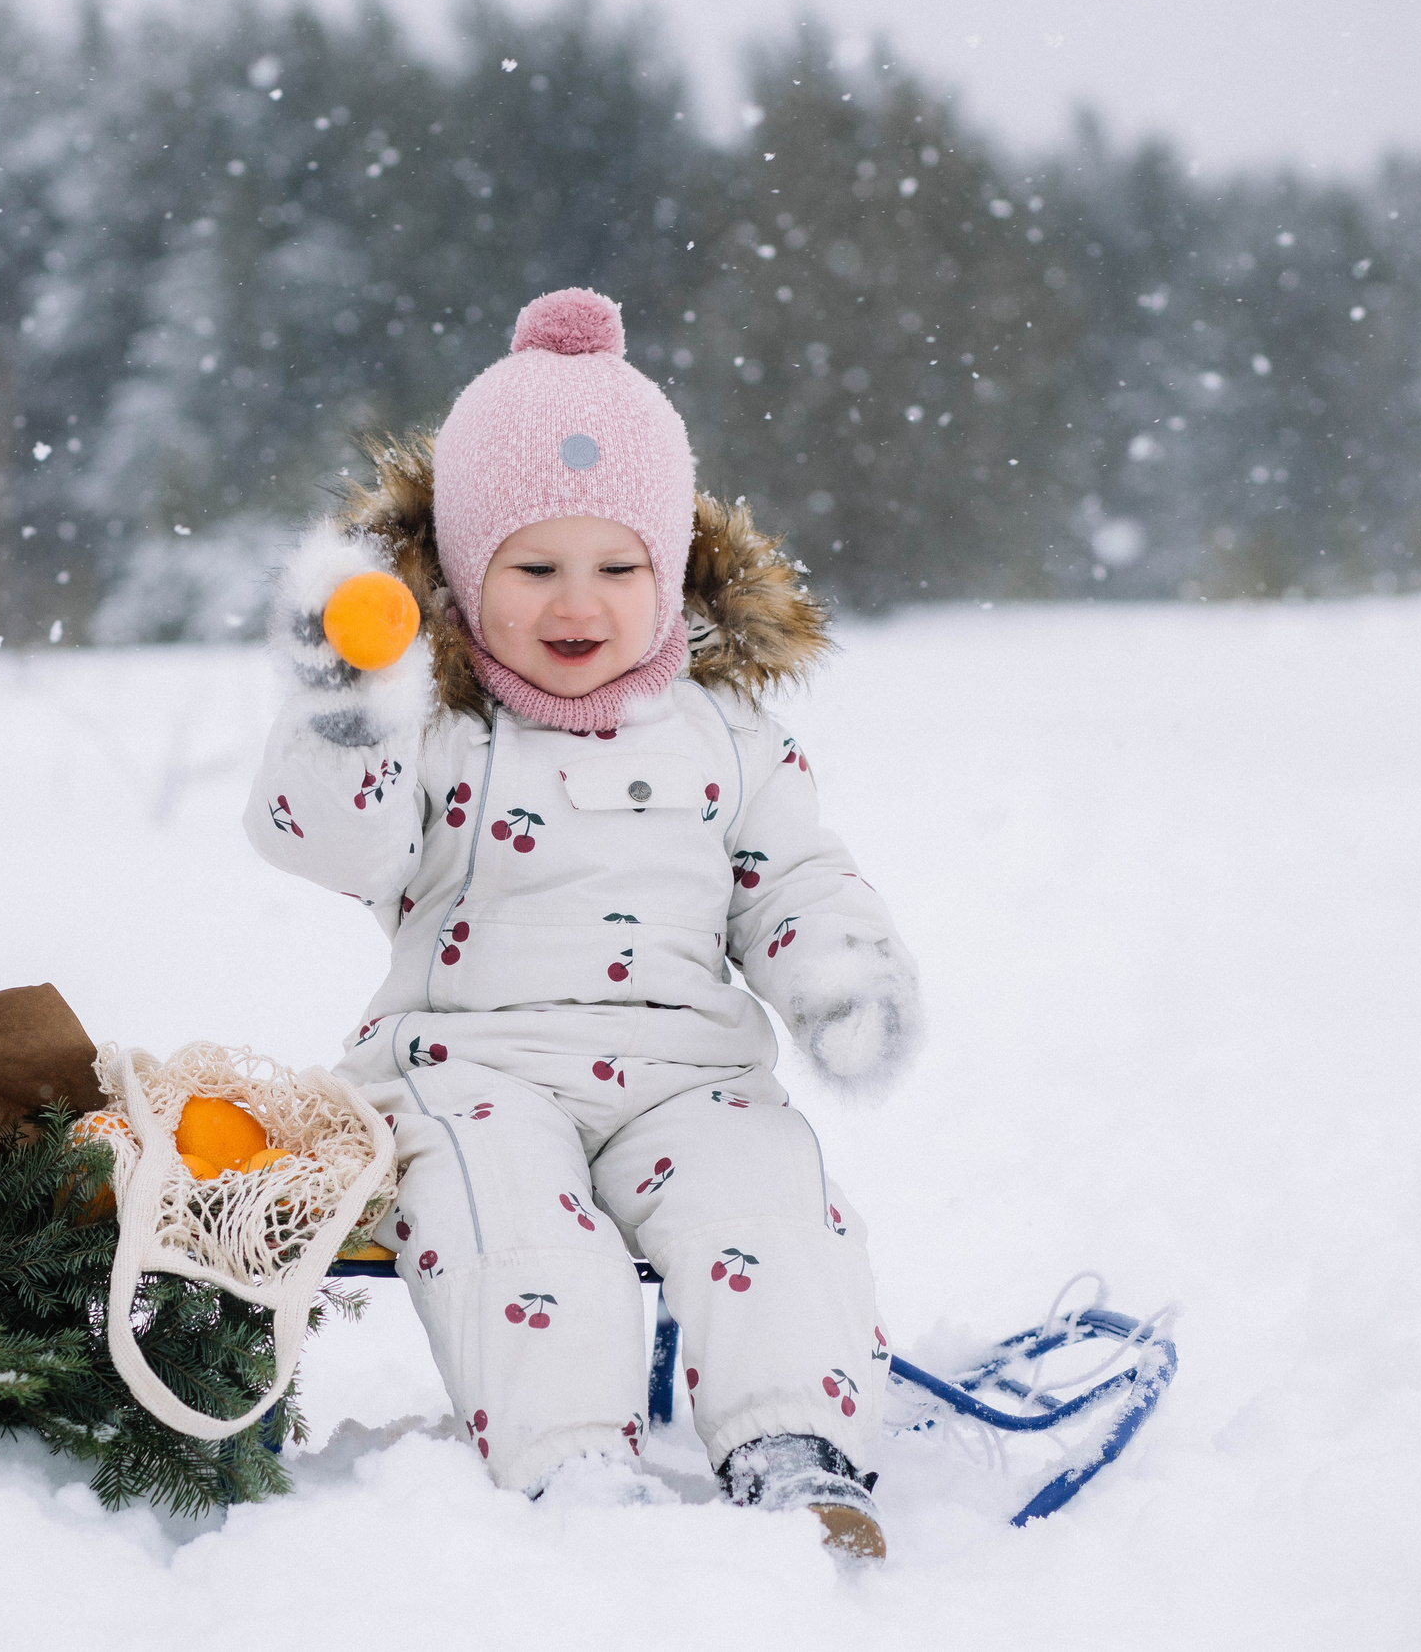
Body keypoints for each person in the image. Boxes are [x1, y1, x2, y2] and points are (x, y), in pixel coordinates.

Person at [240, 288, 922, 1558]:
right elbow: (327, 839)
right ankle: (573, 1465)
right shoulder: (439, 725)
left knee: (767, 1200)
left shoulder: (726, 733)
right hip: (467, 1065)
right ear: (462, 572)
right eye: (533, 568)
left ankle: (794, 1445)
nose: (578, 604)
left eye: (618, 568)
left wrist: (839, 972)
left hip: (688, 1074)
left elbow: (792, 876)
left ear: (667, 571)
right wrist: (348, 719)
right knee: (507, 1220)